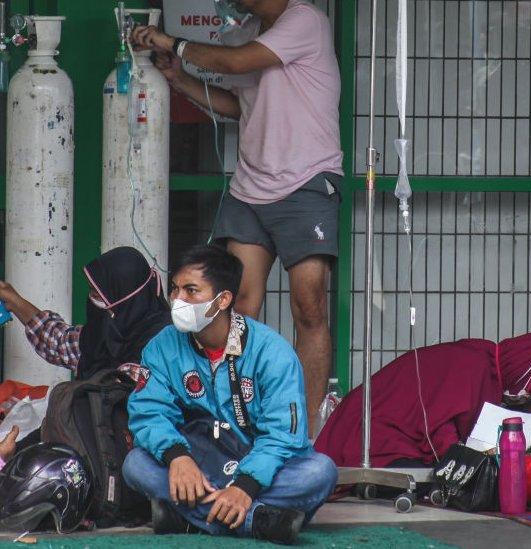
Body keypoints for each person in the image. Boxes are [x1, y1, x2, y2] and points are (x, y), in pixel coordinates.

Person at [131, 0, 342, 435]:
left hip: (304, 183)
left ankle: (302, 431)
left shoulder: (305, 20)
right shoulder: (243, 28)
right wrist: (180, 78)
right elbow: (240, 105)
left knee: (309, 309)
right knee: (239, 308)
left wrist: (171, 42)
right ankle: (242, 423)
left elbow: (234, 61)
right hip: (250, 187)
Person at [122, 246, 336, 544]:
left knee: (319, 472)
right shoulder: (161, 346)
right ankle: (259, 522)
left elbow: (283, 437)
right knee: (135, 464)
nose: (177, 300)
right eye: (174, 289)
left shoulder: (272, 352)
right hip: (198, 466)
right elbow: (148, 412)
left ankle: (191, 519)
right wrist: (177, 457)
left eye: (191, 291)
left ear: (223, 299)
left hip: (258, 469)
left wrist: (245, 485)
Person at [314, 333, 531, 467]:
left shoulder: (485, 367)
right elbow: (438, 424)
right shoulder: (473, 367)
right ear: (522, 368)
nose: (528, 396)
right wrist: (462, 459)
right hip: (372, 430)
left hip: (383, 424)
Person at [0, 246, 170, 382]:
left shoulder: (162, 347)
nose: (92, 298)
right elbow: (60, 342)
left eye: (98, 293)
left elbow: (122, 402)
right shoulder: (108, 336)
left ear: (124, 298)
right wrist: (15, 302)